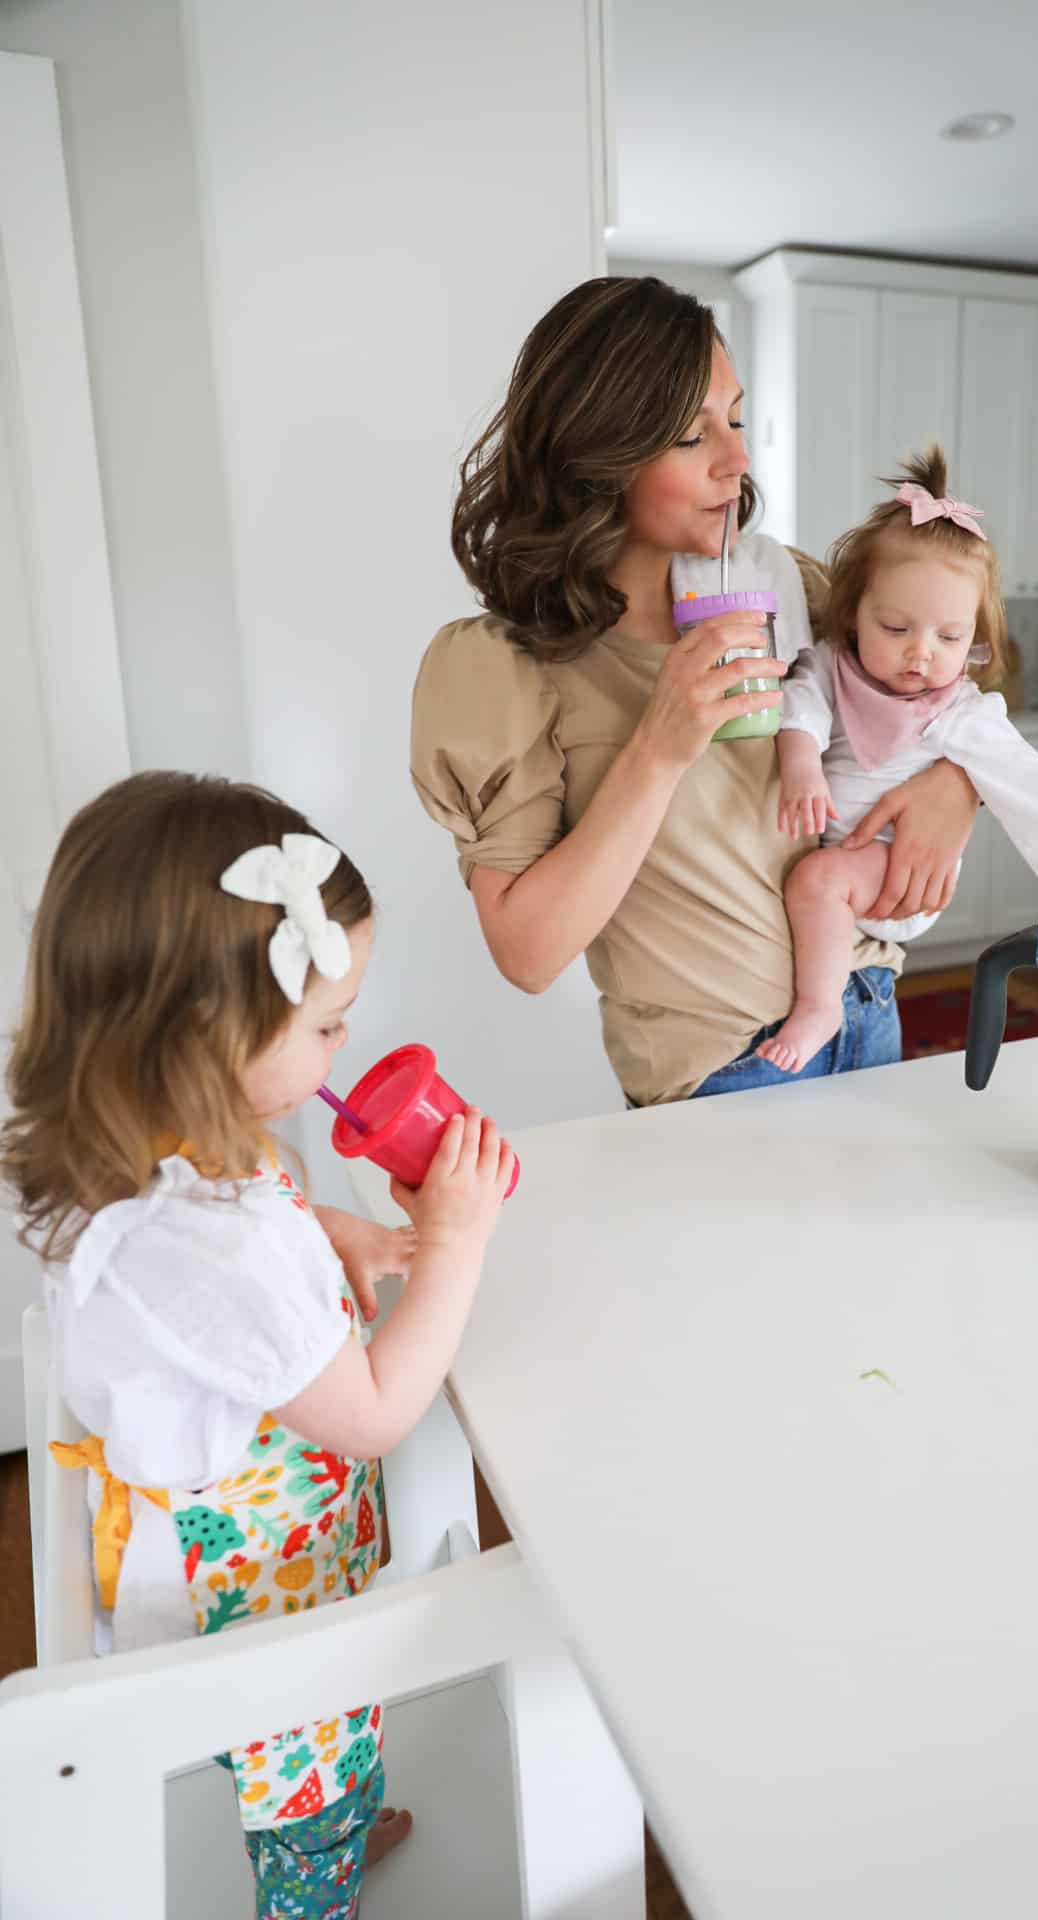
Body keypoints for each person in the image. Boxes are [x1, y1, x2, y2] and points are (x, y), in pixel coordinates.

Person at [1, 771, 514, 1919]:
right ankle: (313, 1873)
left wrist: (338, 1234)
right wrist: (454, 1247)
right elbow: (378, 1407)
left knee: (320, 1739)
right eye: (326, 1026)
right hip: (250, 1585)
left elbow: (253, 1232)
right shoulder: (210, 1248)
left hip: (241, 1534)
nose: (344, 1046)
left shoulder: (149, 1154)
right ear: (209, 1035)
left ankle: (332, 1818)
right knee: (305, 1750)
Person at [412, 276, 982, 1105]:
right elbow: (527, 954)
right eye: (692, 436)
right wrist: (658, 746)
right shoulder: (507, 666)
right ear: (598, 456)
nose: (738, 459)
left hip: (870, 1012)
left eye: (737, 419)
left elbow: (951, 685)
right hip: (724, 1073)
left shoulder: (794, 586)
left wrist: (957, 787)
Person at [755, 446, 1038, 1072]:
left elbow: (1030, 789)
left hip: (904, 874)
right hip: (853, 859)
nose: (920, 655)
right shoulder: (829, 667)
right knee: (821, 878)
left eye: (949, 638)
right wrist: (802, 762)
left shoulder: (963, 712)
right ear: (853, 615)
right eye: (896, 628)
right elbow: (800, 708)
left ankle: (820, 1007)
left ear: (973, 638)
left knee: (816, 881)